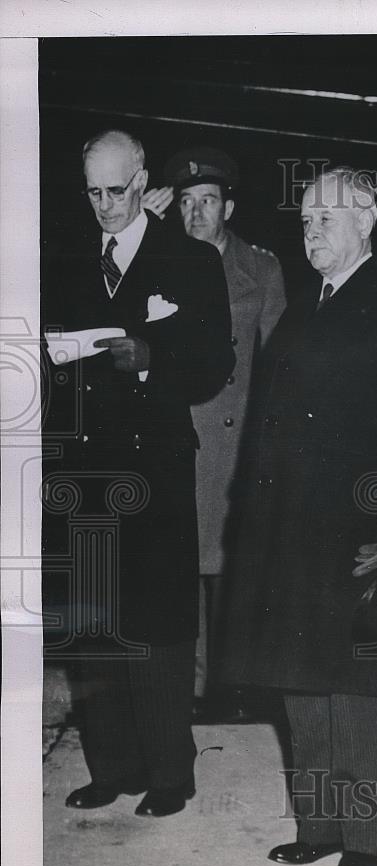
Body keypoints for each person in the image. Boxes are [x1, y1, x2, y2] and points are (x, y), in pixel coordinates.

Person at [219, 168, 377, 866]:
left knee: (357, 683)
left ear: (367, 221)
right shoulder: (306, 304)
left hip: (357, 528)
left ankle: (363, 837)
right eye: (305, 221)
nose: (312, 234)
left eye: (326, 219)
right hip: (287, 527)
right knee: (299, 677)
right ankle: (318, 824)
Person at [41, 129, 234, 817]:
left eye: (117, 191)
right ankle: (110, 769)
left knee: (158, 629)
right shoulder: (64, 260)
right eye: (92, 192)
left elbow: (216, 365)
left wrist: (150, 357)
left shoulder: (188, 260)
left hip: (154, 473)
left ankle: (168, 776)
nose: (104, 206)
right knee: (95, 629)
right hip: (82, 475)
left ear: (143, 178)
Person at [159, 147, 287, 722]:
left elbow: (280, 357)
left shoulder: (260, 268)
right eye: (186, 203)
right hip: (181, 430)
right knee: (185, 560)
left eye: (207, 201)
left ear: (228, 206)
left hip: (237, 438)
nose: (196, 214)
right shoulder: (160, 263)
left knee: (234, 563)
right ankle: (191, 685)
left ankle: (236, 686)